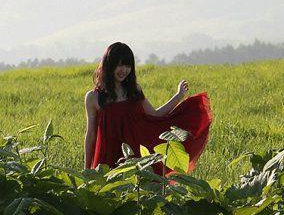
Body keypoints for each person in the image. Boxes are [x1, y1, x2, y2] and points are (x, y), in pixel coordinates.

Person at [84, 41, 212, 172]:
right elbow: (91, 134)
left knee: (140, 189)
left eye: (128, 66)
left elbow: (155, 114)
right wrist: (86, 168)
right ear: (109, 65)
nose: (124, 70)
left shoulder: (134, 91)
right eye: (120, 65)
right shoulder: (93, 97)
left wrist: (179, 95)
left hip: (135, 155)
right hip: (107, 156)